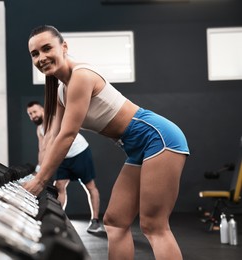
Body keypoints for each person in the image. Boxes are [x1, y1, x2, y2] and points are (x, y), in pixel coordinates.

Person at [23, 25, 189, 260]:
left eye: (46, 48)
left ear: (64, 47)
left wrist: (40, 181)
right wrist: (37, 174)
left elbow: (67, 136)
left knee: (154, 226)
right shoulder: (61, 90)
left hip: (157, 137)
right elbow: (52, 136)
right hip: (135, 147)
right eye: (35, 54)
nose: (41, 58)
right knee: (115, 222)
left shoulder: (80, 76)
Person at [26, 100, 103, 233]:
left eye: (34, 112)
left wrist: (39, 173)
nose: (33, 115)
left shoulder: (54, 121)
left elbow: (48, 147)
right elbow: (42, 149)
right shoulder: (40, 129)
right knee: (59, 186)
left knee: (90, 186)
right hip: (63, 157)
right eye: (30, 114)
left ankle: (95, 221)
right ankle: (59, 218)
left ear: (42, 110)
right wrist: (38, 169)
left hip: (79, 152)